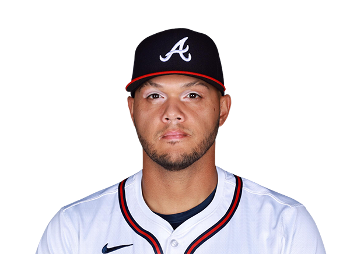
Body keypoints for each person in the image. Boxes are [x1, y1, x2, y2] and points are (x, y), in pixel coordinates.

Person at [37, 29, 326, 254]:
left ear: (223, 110)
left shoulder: (284, 226)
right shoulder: (74, 229)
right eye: (154, 96)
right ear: (132, 111)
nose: (172, 113)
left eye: (192, 95)